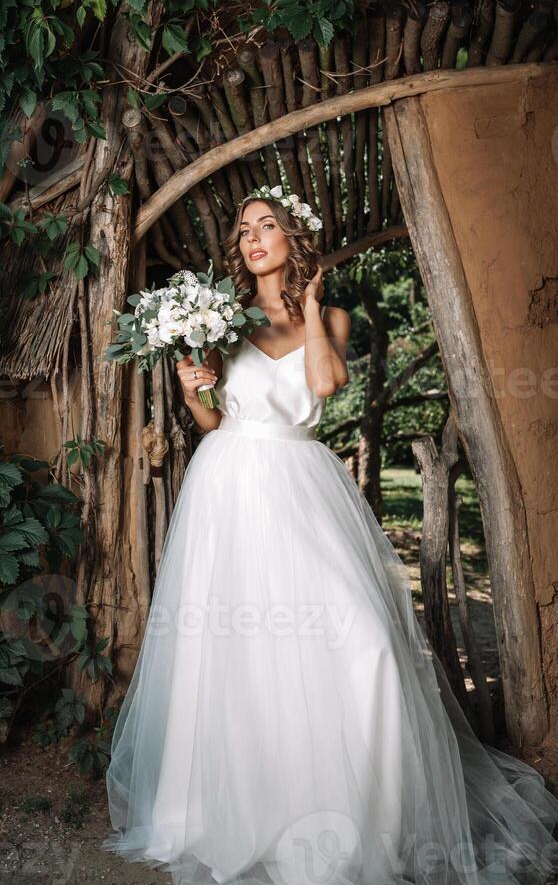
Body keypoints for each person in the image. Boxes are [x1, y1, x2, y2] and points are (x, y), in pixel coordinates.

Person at [102, 190, 558, 885]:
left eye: (268, 225)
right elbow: (212, 424)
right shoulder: (219, 323)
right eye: (244, 228)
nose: (254, 237)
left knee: (367, 648)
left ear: (296, 238)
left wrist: (310, 309)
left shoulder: (333, 317)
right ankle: (242, 812)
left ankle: (361, 827)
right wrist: (193, 386)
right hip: (230, 487)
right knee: (240, 657)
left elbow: (324, 384)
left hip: (303, 484)